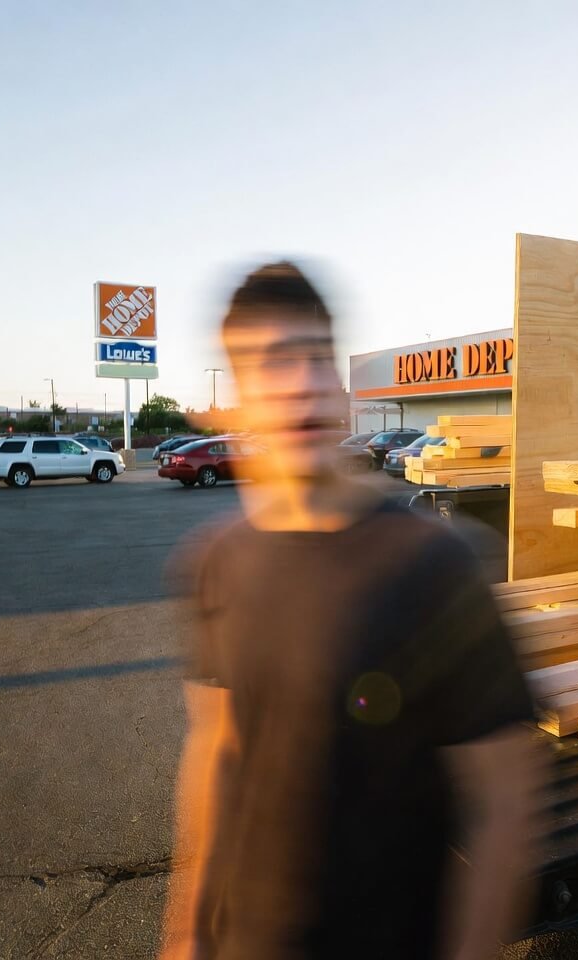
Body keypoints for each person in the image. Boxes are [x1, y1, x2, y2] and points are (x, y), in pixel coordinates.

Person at [159, 262, 545, 960]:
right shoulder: (216, 562)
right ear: (237, 400)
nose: (302, 381)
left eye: (314, 356)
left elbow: (504, 807)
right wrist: (187, 933)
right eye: (273, 364)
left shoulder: (437, 566)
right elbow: (215, 752)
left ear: (339, 390)